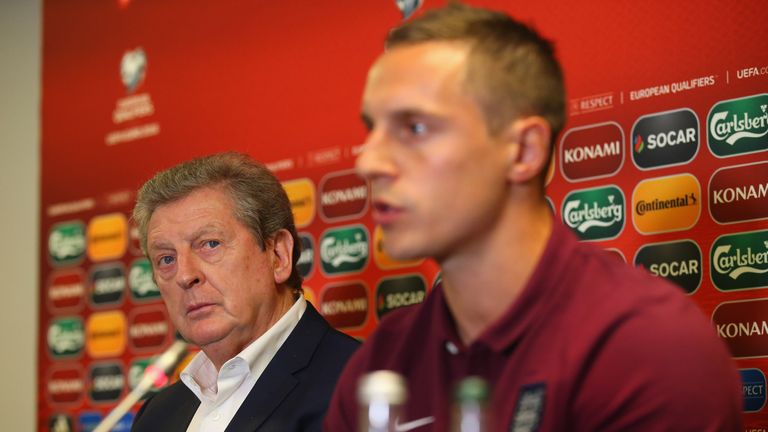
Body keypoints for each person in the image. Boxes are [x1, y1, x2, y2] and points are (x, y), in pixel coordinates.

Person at [324, 3, 742, 431]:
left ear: (524, 151)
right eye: (371, 129)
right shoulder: (381, 362)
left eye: (414, 128)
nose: (369, 161)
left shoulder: (648, 347)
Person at [130, 152, 359, 432]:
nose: (185, 275)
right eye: (166, 259)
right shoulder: (156, 415)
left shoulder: (359, 383)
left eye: (210, 244)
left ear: (278, 255)